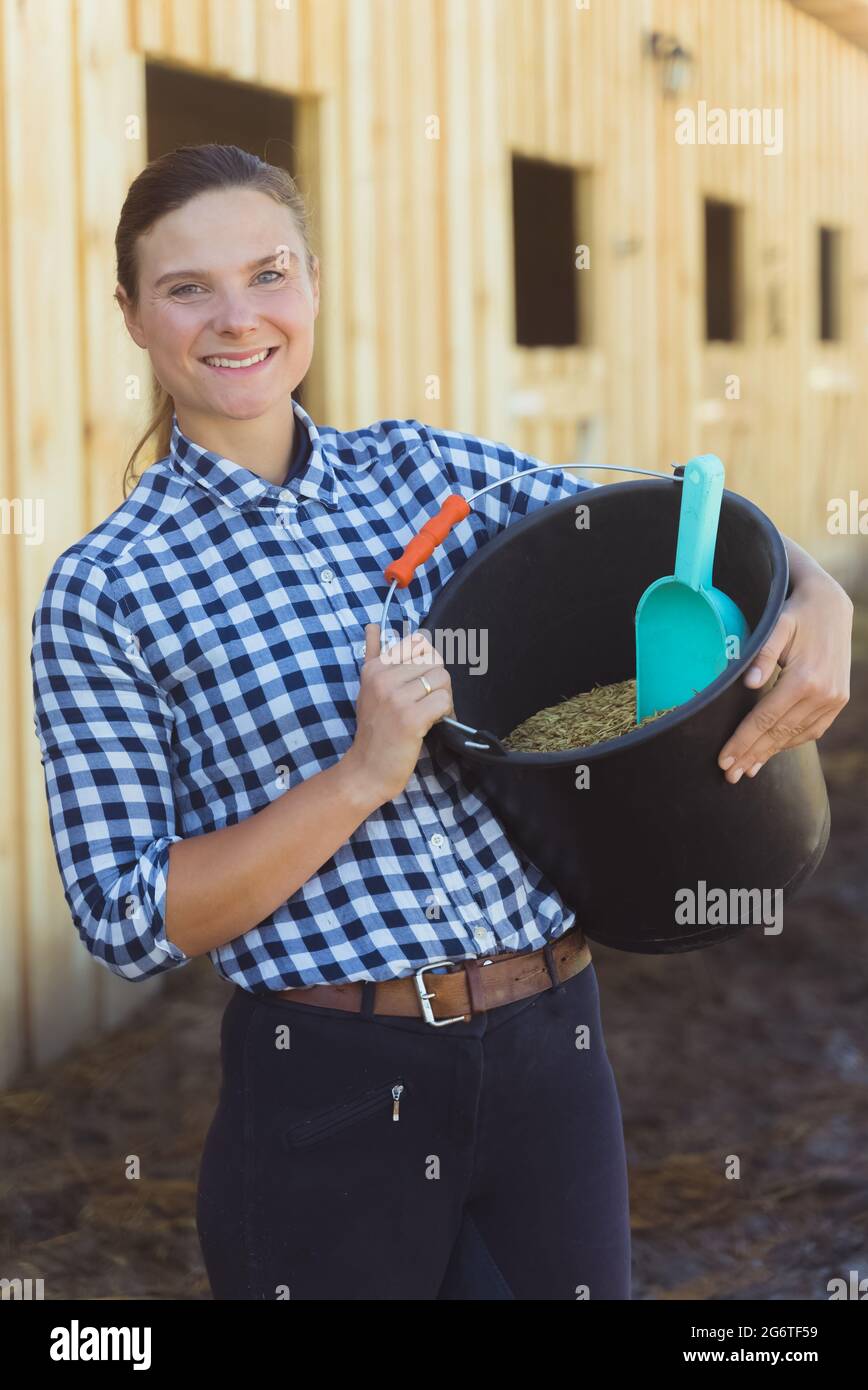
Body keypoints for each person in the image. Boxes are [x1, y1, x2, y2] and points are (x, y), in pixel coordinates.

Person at [30, 144, 853, 1301]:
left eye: (268, 273)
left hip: (552, 1049)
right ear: (130, 315)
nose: (238, 318)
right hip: (330, 1084)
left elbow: (669, 531)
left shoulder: (428, 474)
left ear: (312, 281)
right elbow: (128, 916)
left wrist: (816, 593)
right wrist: (361, 774)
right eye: (186, 288)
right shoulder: (108, 588)